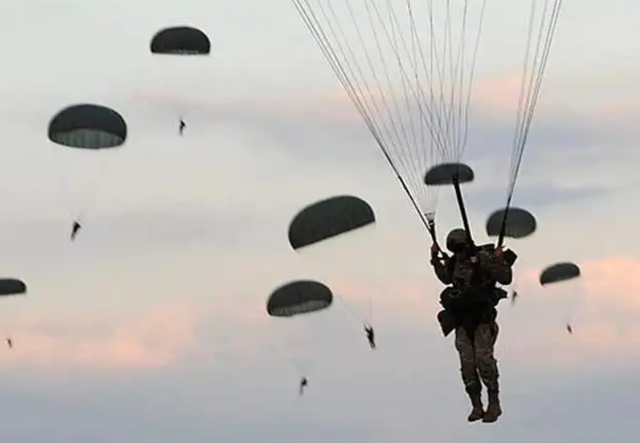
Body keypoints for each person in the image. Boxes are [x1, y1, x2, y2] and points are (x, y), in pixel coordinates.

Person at [431, 228, 513, 424]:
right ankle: (476, 405)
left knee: (483, 360)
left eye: (460, 249)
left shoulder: (483, 258)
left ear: (467, 244)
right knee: (467, 364)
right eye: (454, 250)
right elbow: (445, 277)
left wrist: (500, 260)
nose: (458, 254)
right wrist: (434, 258)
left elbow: (505, 278)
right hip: (462, 320)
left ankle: (494, 402)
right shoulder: (454, 263)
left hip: (482, 319)